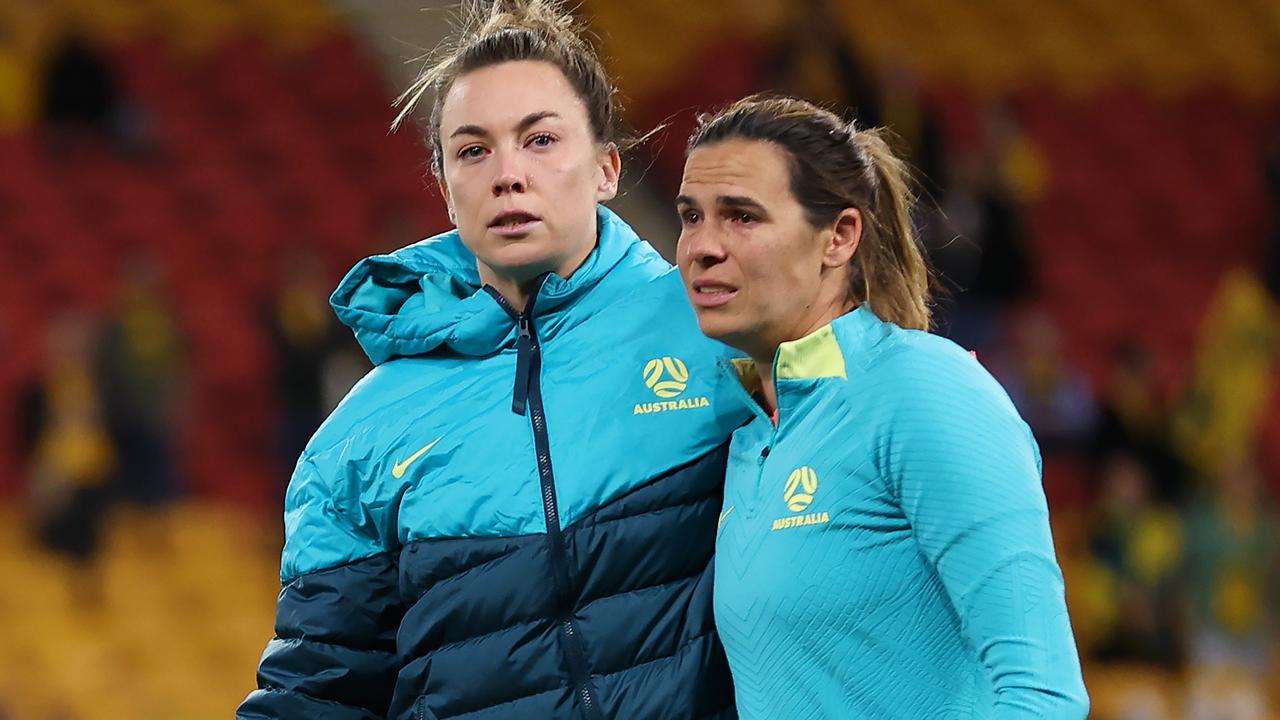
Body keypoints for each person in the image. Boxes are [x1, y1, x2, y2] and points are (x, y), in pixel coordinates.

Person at [237, 2, 750, 719]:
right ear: (446, 189)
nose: (507, 174)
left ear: (607, 168)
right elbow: (316, 693)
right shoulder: (356, 442)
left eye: (539, 139)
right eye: (474, 150)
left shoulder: (727, 333)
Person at [674, 95, 1089, 719]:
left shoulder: (926, 391)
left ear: (839, 238)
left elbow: (1043, 696)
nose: (701, 247)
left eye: (741, 217)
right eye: (690, 217)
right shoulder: (749, 431)